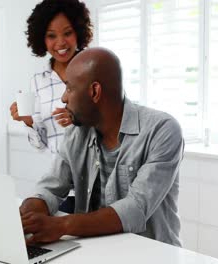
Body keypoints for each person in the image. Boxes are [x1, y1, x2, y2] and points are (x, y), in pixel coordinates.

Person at [19, 47, 185, 247]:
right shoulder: (76, 132)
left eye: (69, 88)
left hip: (151, 255)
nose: (63, 98)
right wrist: (28, 214)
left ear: (95, 92)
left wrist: (61, 225)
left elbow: (135, 209)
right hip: (95, 252)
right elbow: (50, 187)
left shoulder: (162, 130)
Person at [9, 0, 93, 154]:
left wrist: (80, 119)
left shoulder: (94, 70)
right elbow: (40, 145)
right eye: (51, 36)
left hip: (94, 172)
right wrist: (28, 121)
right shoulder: (37, 81)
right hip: (57, 172)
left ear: (78, 32)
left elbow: (114, 124)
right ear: (42, 39)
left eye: (67, 33)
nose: (60, 42)